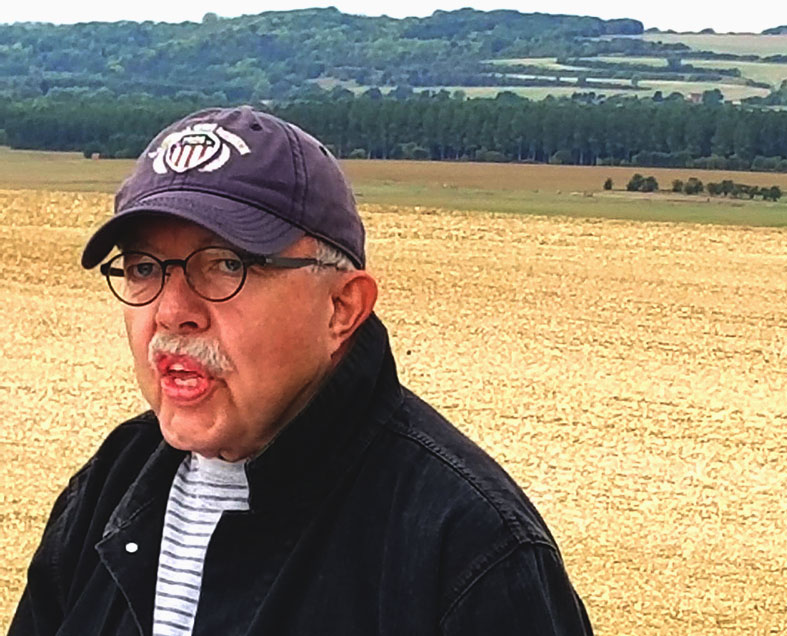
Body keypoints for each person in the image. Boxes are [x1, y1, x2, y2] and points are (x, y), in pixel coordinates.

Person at [10, 106, 592, 635]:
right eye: (142, 268)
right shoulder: (113, 484)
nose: (171, 312)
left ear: (342, 308)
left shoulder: (464, 545)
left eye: (225, 265)